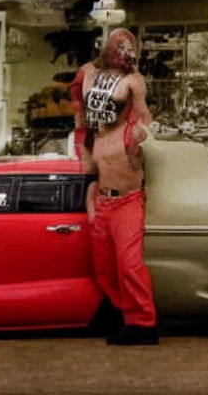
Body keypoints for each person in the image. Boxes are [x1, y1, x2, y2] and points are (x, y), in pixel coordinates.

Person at [70, 28, 158, 345]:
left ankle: (143, 324)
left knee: (130, 266)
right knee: (105, 269)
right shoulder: (94, 135)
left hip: (129, 200)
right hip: (103, 202)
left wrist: (143, 134)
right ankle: (123, 317)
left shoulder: (132, 111)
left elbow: (146, 120)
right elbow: (79, 112)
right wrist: (91, 206)